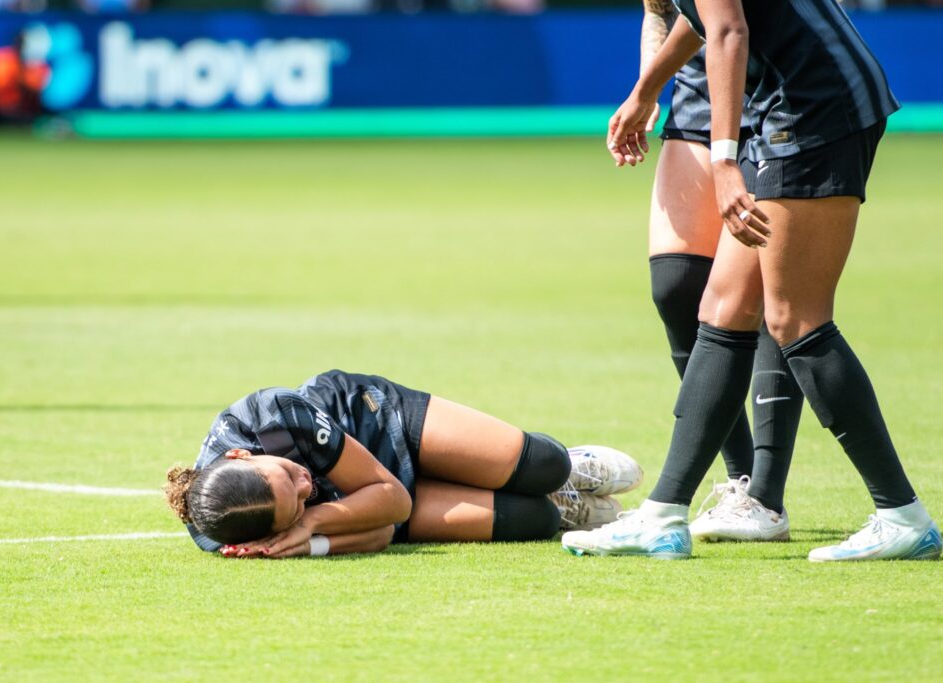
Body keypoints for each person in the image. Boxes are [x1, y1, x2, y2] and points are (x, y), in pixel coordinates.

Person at [564, 0, 941, 561]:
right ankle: (664, 516)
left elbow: (729, 28)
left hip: (815, 101)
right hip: (790, 99)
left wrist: (723, 162)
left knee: (796, 318)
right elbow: (700, 15)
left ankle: (903, 517)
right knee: (724, 307)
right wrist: (647, 89)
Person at [165, 370, 643, 558]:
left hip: (375, 423)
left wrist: (308, 520)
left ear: (241, 455)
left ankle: (570, 471)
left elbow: (390, 497)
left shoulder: (276, 416)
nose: (306, 483)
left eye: (288, 474)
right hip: (368, 498)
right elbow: (384, 529)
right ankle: (558, 501)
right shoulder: (225, 531)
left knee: (543, 466)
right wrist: (313, 544)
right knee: (536, 518)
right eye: (295, 502)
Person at [640, 0, 802, 542]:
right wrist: (648, 91)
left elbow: (732, 22)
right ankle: (740, 481)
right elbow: (662, 11)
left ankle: (764, 495)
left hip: (774, 82)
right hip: (695, 81)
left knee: (768, 293)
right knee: (676, 287)